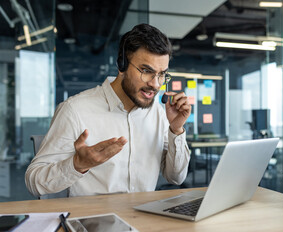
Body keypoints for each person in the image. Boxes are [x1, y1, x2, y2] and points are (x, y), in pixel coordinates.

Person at [25, 24, 191, 197]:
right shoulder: (75, 110)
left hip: (144, 220)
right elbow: (34, 182)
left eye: (162, 74)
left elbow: (176, 178)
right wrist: (77, 165)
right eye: (146, 71)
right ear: (122, 65)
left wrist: (176, 130)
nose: (156, 84)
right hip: (93, 222)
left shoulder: (160, 114)